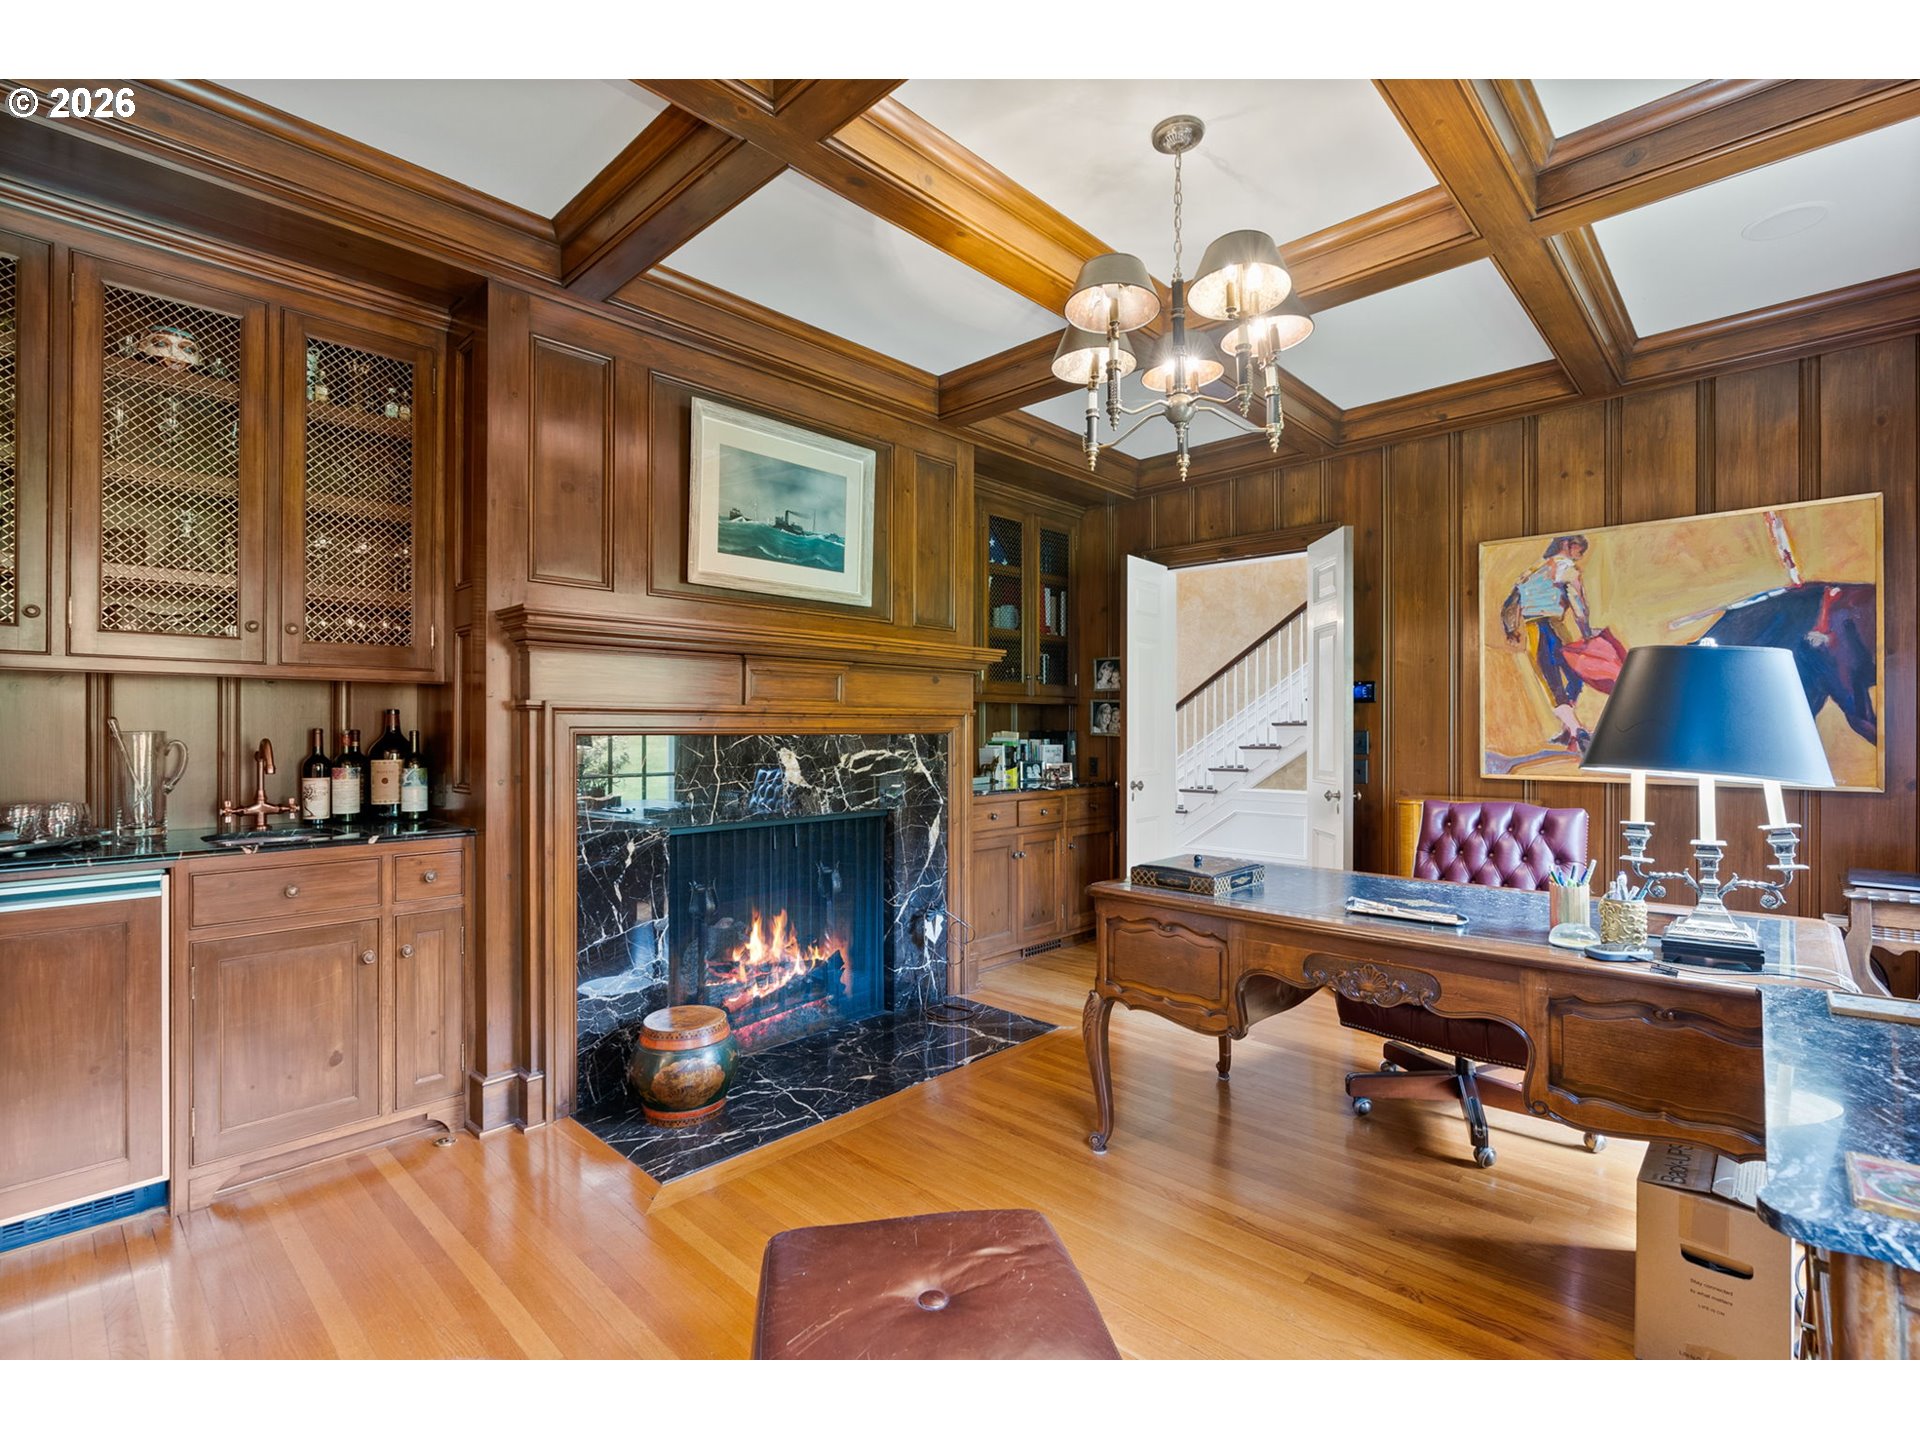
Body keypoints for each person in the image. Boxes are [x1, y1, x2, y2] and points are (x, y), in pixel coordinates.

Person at [1502, 534, 1598, 753]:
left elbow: (1511, 604)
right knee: (1573, 677)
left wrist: (1510, 630)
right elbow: (1578, 604)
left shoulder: (1532, 572)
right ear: (1567, 545)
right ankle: (1576, 730)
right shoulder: (1566, 567)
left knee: (1553, 682)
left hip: (1534, 629)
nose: (1580, 555)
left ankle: (1570, 729)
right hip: (1556, 629)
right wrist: (1586, 632)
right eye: (1579, 549)